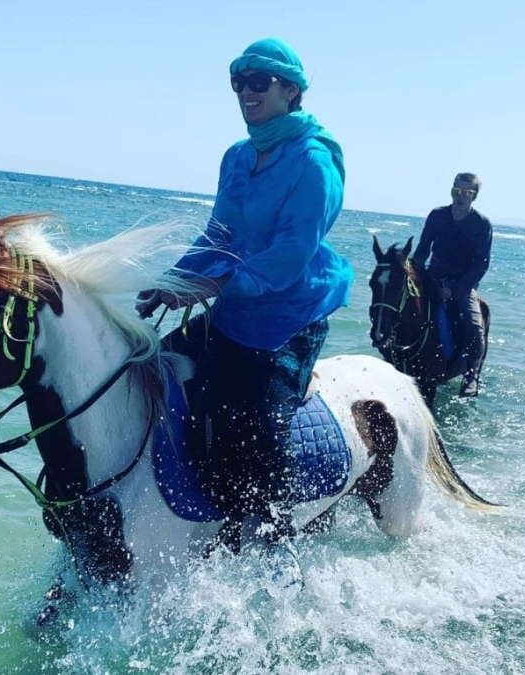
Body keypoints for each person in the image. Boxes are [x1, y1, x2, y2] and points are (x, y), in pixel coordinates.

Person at [136, 38, 352, 559]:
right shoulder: (237, 156)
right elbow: (219, 235)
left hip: (289, 317)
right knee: (149, 368)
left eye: (259, 83)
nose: (246, 93)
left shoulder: (314, 162)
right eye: (238, 83)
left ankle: (276, 539)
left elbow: (291, 254)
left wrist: (215, 285)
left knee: (257, 421)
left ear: (291, 91)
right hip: (236, 307)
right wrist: (173, 281)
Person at [411, 173, 492, 397]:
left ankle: (472, 375)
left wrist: (456, 290)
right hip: (433, 277)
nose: (460, 196)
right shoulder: (437, 215)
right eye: (457, 190)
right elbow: (422, 250)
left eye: (466, 192)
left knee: (475, 326)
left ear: (474, 196)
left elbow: (481, 264)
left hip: (462, 285)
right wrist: (413, 271)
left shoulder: (482, 224)